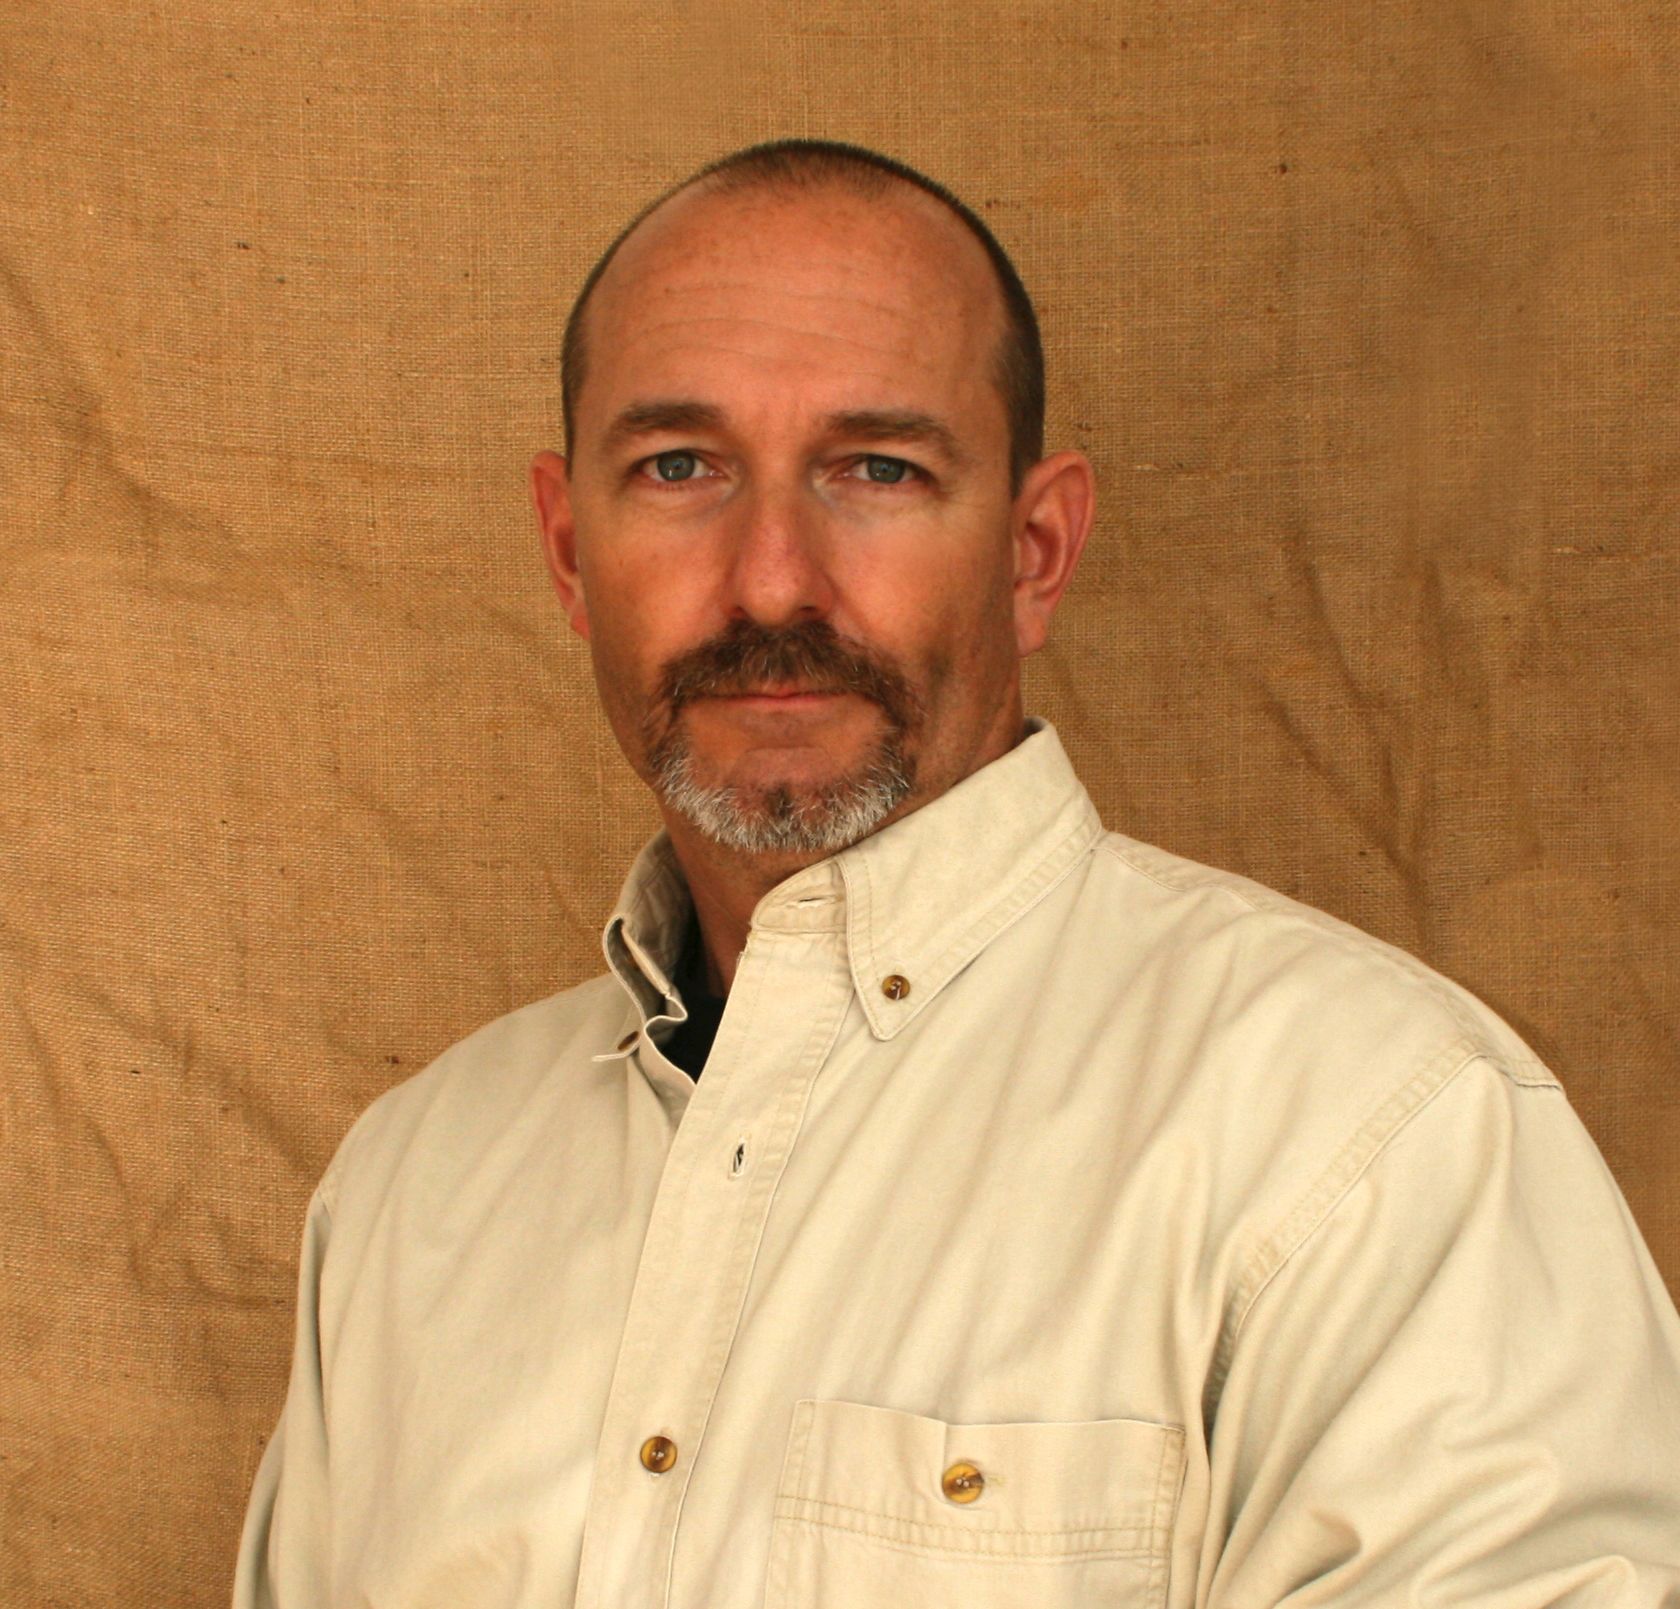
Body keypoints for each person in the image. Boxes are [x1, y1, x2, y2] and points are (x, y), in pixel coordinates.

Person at [233, 140, 1680, 1608]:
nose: (773, 580)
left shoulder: (1372, 1132)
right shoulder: (414, 1191)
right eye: (680, 468)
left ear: (1035, 551)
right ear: (565, 547)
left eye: (878, 469)